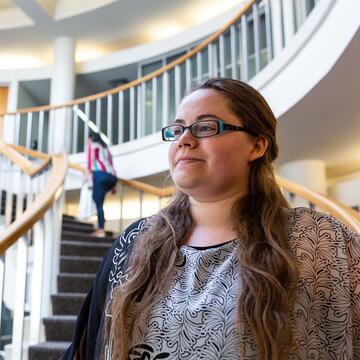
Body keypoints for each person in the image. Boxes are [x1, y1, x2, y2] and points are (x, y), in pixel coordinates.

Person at [62, 78, 359, 360]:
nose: (185, 140)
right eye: (177, 130)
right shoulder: (133, 243)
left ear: (257, 146)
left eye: (205, 127)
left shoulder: (319, 240)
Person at [86, 132, 117, 237]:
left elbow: (90, 162)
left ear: (91, 138)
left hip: (100, 175)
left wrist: (87, 176)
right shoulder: (106, 149)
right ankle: (102, 219)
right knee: (99, 199)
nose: (87, 141)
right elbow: (111, 165)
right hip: (112, 178)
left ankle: (101, 229)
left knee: (97, 200)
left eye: (88, 139)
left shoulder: (93, 145)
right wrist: (113, 186)